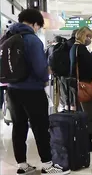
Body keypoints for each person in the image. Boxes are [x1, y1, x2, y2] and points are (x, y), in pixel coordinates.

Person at [6, 9, 70, 175]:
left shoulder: (9, 36)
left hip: (12, 89)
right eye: (39, 27)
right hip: (32, 90)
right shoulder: (32, 40)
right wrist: (46, 73)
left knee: (18, 127)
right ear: (35, 23)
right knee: (40, 127)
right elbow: (40, 69)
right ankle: (48, 165)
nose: (38, 29)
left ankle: (22, 165)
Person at [69, 26, 92, 152]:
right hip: (85, 85)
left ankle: (82, 139)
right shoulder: (81, 49)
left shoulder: (74, 48)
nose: (90, 39)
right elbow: (87, 68)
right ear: (84, 36)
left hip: (77, 84)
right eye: (89, 36)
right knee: (88, 114)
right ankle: (87, 142)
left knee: (82, 113)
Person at [59, 29, 78, 111]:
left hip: (62, 74)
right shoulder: (76, 45)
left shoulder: (64, 44)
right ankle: (75, 117)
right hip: (73, 75)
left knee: (65, 95)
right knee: (74, 97)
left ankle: (67, 113)